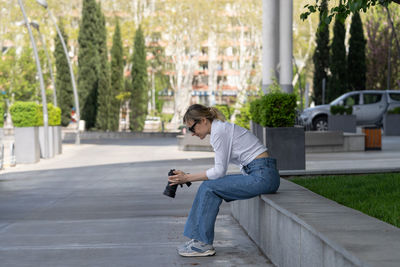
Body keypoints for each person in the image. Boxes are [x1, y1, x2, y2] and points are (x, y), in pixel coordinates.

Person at [168, 104, 280, 257]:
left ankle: (203, 243)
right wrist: (187, 177)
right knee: (208, 185)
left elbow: (219, 171)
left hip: (262, 176)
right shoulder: (219, 129)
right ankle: (198, 239)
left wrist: (187, 178)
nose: (192, 133)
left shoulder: (219, 132)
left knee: (209, 187)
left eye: (192, 128)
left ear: (203, 121)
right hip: (260, 173)